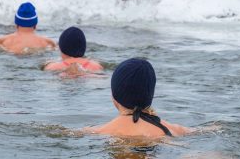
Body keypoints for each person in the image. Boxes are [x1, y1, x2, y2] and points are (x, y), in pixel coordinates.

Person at [85, 58, 219, 138]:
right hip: (164, 147)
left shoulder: (104, 130)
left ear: (114, 98)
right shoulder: (172, 128)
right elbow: (206, 130)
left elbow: (69, 133)